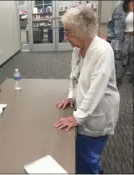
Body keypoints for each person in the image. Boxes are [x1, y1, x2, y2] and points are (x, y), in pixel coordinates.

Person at [54, 6, 120, 174]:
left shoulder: (102, 51)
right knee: (84, 154)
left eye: (69, 31)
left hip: (98, 113)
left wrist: (77, 116)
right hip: (84, 109)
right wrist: (71, 96)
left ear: (83, 31)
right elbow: (74, 77)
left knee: (87, 156)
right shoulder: (77, 50)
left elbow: (97, 89)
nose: (65, 36)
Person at [107, 0, 134, 88]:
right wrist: (112, 40)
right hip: (123, 39)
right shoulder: (119, 6)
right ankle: (115, 87)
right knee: (120, 64)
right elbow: (111, 23)